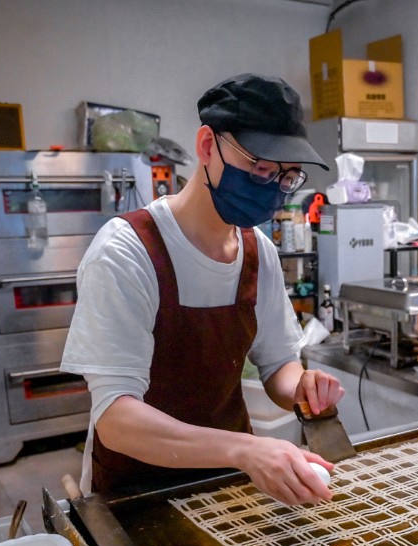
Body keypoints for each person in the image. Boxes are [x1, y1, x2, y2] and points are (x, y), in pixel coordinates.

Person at [61, 74, 345, 505]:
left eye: (287, 177)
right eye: (261, 167)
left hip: (230, 487)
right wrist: (245, 449)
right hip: (136, 492)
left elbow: (277, 364)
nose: (271, 188)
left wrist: (301, 386)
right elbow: (116, 419)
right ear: (208, 145)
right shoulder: (128, 252)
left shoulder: (257, 253)